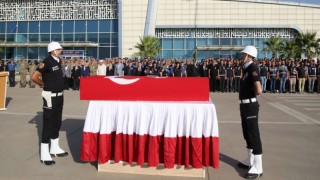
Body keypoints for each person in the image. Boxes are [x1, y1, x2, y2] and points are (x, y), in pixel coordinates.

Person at [31, 42, 68, 166]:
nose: (60, 50)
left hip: (59, 96)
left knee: (57, 122)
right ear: (52, 50)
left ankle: (55, 147)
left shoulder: (58, 61)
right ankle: (45, 152)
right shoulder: (46, 62)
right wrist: (43, 84)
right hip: (50, 97)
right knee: (48, 124)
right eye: (58, 49)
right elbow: (34, 77)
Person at [238, 46, 263, 179]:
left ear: (249, 55)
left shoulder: (253, 68)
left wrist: (253, 91)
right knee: (247, 133)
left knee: (253, 133)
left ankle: (258, 167)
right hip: (244, 105)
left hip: (250, 105)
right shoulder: (246, 69)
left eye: (243, 54)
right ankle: (250, 161)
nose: (242, 56)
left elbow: (258, 89)